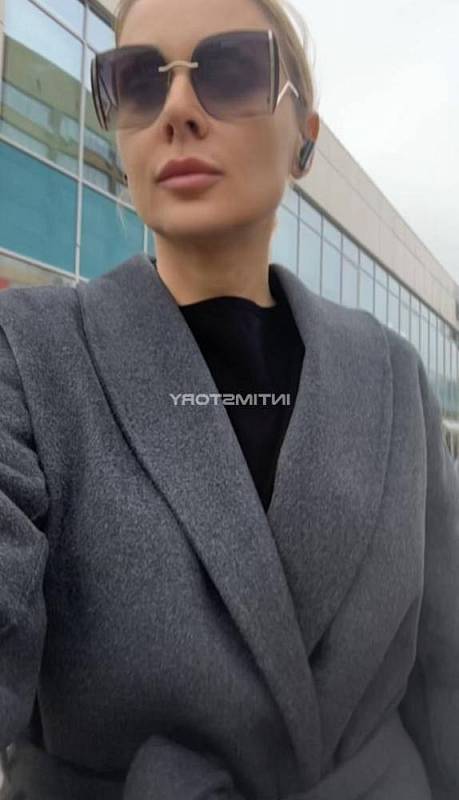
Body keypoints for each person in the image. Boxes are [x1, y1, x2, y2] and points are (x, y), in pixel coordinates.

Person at [0, 0, 458, 798]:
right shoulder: (27, 353)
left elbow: (443, 671)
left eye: (231, 70)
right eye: (138, 81)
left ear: (303, 138)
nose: (176, 109)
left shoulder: (394, 376)